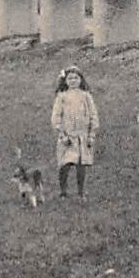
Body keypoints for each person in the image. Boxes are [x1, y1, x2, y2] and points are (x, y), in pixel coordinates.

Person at [51, 65, 100, 199]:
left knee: (81, 165)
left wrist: (91, 135)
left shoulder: (86, 96)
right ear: (65, 80)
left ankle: (81, 192)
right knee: (64, 165)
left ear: (81, 80)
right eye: (70, 78)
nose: (73, 81)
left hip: (82, 136)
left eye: (76, 78)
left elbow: (93, 115)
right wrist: (62, 134)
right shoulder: (62, 96)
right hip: (67, 136)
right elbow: (56, 117)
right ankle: (63, 191)